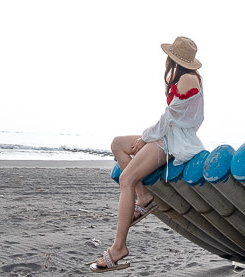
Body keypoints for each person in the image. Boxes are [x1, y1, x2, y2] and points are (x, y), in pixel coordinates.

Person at [88, 36, 206, 273]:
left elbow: (170, 118)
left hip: (172, 142)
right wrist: (148, 137)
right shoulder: (184, 76)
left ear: (174, 57)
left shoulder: (188, 79)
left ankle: (118, 248)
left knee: (125, 179)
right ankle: (143, 198)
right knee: (118, 144)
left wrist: (145, 138)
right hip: (167, 136)